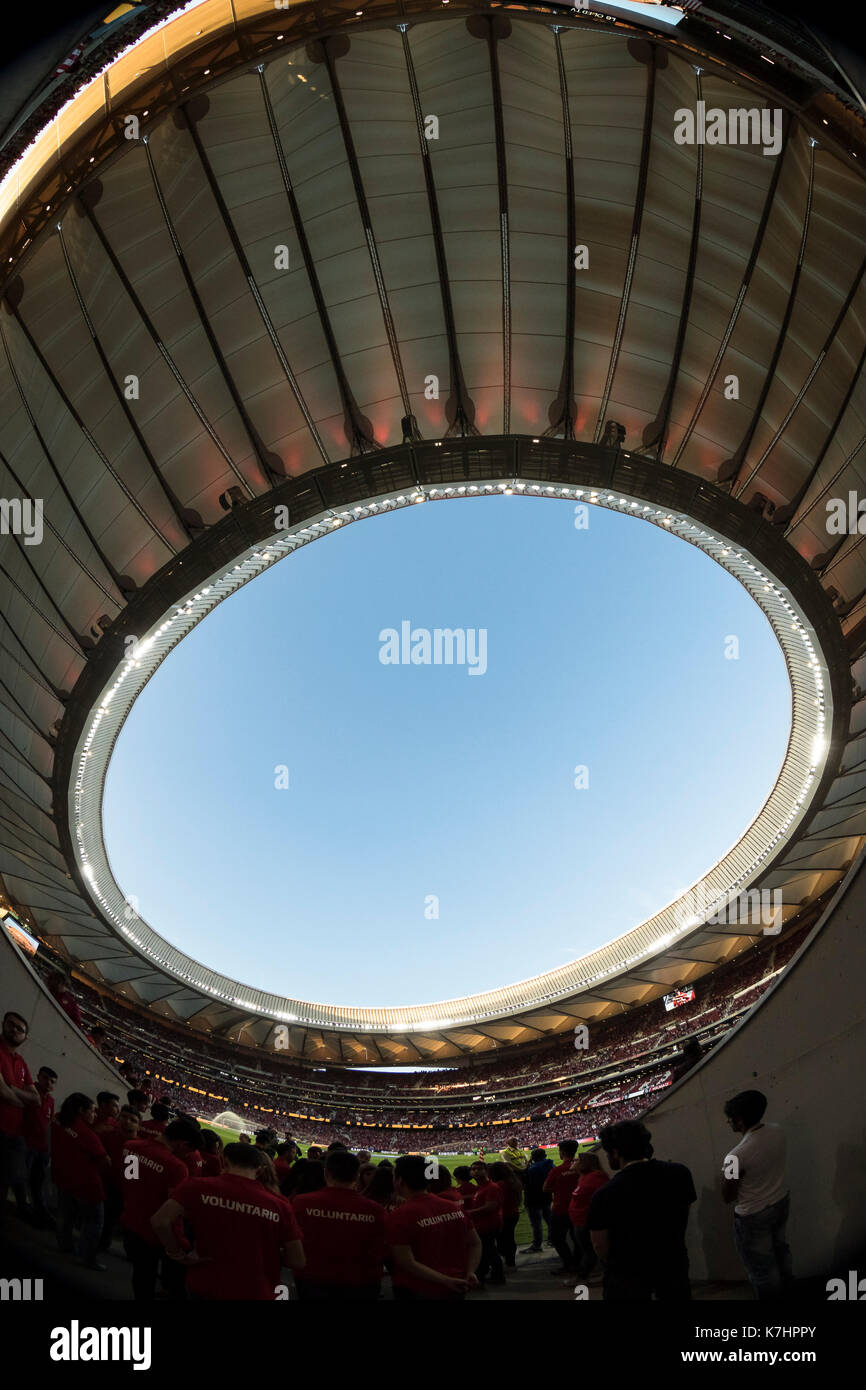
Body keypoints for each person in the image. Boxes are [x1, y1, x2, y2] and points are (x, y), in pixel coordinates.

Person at [151, 1141, 305, 1300]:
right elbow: (298, 1260)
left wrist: (176, 1253)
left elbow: (160, 1221)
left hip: (205, 1282)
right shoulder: (280, 1204)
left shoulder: (196, 1186)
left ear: (224, 1161)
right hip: (255, 1289)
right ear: (260, 1169)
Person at [588, 1120, 696, 1301]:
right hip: (672, 1264)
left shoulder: (605, 1194)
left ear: (615, 1153)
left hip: (627, 1275)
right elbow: (683, 1214)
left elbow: (600, 1245)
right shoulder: (680, 1173)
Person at [722, 1090, 791, 1301]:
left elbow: (728, 1195)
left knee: (762, 1271)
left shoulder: (735, 1156)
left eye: (730, 1118)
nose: (728, 1122)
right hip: (780, 1201)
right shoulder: (778, 1131)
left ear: (740, 1120)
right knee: (781, 1254)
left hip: (753, 1215)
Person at [121, 1118, 200, 1301]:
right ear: (183, 1144)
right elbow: (173, 1211)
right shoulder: (177, 1167)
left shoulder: (130, 1146)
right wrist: (179, 1244)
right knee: (162, 1279)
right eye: (188, 1150)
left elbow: (128, 1181)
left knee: (141, 1274)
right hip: (154, 1232)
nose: (187, 1155)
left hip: (130, 1218)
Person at [292, 1149, 384, 1300]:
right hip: (360, 1283)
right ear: (356, 1176)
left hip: (312, 1279)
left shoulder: (301, 1202)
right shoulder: (376, 1210)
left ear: (326, 1173)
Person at [386, 1155, 481, 1300]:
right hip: (457, 1286)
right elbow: (475, 1243)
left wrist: (445, 1280)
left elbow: (406, 1261)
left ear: (399, 1180)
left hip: (417, 1289)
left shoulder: (399, 1215)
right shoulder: (453, 1207)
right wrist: (470, 1272)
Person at [51, 1093, 110, 1270]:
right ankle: (85, 1258)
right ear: (81, 1111)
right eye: (92, 1111)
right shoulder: (87, 1134)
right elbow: (106, 1161)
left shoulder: (58, 1119)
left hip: (63, 1176)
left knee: (65, 1214)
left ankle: (64, 1245)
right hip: (87, 1185)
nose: (94, 1114)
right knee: (94, 1222)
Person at [0, 1011, 39, 1209]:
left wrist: (12, 1088)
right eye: (11, 1024)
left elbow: (36, 1098)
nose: (14, 1030)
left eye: (20, 1029)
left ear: (25, 1037)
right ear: (3, 1024)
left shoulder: (21, 1062)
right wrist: (23, 1101)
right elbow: (2, 1093)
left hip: (12, 1135)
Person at [20, 1064, 57, 1227]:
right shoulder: (28, 1092)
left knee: (37, 1181)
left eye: (52, 1081)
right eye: (46, 1079)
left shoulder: (51, 1100)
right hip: (26, 1143)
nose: (48, 1083)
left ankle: (38, 1211)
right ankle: (23, 1208)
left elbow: (47, 1122)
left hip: (42, 1148)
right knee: (20, 1177)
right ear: (38, 1077)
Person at [567, 1151, 609, 1277]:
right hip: (581, 1222)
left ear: (585, 1163)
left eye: (576, 1160)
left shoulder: (595, 1177)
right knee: (589, 1251)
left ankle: (583, 1277)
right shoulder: (584, 1176)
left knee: (591, 1251)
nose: (573, 1162)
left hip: (586, 1222)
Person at [543, 1139, 581, 1272]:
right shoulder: (582, 1168)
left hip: (560, 1209)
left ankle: (569, 1264)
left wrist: (559, 1189)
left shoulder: (557, 1170)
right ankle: (577, 1263)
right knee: (577, 1238)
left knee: (557, 1238)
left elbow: (546, 1188)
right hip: (578, 1209)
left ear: (562, 1152)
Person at [469, 1160, 504, 1285]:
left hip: (489, 1225)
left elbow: (490, 1207)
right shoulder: (481, 1187)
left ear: (486, 1171)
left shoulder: (491, 1187)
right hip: (482, 1225)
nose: (476, 1171)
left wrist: (470, 1212)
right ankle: (484, 1275)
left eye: (479, 1169)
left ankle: (498, 1277)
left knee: (490, 1251)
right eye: (473, 1169)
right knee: (486, 1251)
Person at [490, 1161, 522, 1267]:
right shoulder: (513, 1181)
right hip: (513, 1213)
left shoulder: (499, 1185)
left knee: (502, 1241)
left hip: (504, 1215)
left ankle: (507, 1261)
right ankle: (510, 1260)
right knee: (509, 1238)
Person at [523, 1147, 553, 1252]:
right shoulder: (551, 1165)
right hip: (547, 1196)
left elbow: (527, 1183)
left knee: (536, 1223)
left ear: (533, 1157)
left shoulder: (533, 1168)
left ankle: (537, 1245)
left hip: (534, 1199)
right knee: (549, 1220)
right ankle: (552, 1240)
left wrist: (526, 1168)